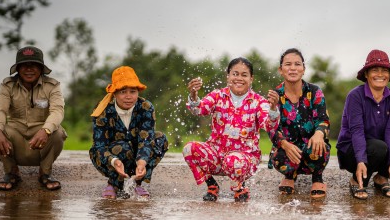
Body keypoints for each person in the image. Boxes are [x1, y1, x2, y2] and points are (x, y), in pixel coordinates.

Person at [184, 57, 279, 202]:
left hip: (244, 158)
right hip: (217, 155)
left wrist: (273, 109)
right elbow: (199, 109)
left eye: (244, 75)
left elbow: (269, 125)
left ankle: (240, 188)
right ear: (228, 76)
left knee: (233, 161)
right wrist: (193, 95)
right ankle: (212, 186)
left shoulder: (259, 101)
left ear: (251, 78)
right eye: (235, 74)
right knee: (189, 149)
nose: (239, 78)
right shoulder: (217, 95)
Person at [336, 49, 390, 200]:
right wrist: (360, 160)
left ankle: (381, 177)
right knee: (378, 146)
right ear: (366, 74)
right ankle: (357, 179)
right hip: (351, 151)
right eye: (375, 70)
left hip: (380, 149)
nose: (380, 74)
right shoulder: (355, 96)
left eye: (384, 70)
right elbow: (357, 130)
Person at [0, 46, 66, 191]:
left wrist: (46, 130)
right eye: (25, 65)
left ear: (41, 68)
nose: (29, 69)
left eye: (34, 65)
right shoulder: (8, 85)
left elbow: (57, 111)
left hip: (41, 141)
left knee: (57, 132)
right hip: (16, 138)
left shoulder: (53, 86)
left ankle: (45, 173)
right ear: (18, 68)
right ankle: (11, 172)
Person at [89, 66, 169, 199]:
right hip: (110, 156)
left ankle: (136, 182)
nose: (128, 96)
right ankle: (113, 184)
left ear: (138, 92)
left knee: (160, 138)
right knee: (123, 147)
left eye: (133, 91)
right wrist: (114, 161)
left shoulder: (146, 108)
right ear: (114, 93)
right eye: (123, 92)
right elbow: (99, 146)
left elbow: (146, 139)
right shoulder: (102, 111)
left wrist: (142, 162)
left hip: (137, 153)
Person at [266, 48, 330, 199]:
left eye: (297, 64)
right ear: (280, 70)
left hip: (311, 147)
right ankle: (289, 176)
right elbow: (271, 128)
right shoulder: (276, 95)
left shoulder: (314, 91)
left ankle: (317, 178)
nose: (293, 68)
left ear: (303, 69)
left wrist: (319, 134)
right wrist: (285, 145)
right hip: (288, 149)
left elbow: (323, 119)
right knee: (279, 156)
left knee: (319, 146)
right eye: (288, 64)